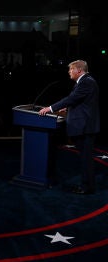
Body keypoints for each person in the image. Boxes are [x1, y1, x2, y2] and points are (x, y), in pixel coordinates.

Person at [38, 60, 100, 194]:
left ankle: (87, 187)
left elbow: (71, 99)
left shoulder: (87, 82)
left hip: (85, 127)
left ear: (79, 70)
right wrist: (68, 109)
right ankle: (87, 185)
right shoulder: (85, 82)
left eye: (71, 69)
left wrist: (50, 108)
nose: (69, 72)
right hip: (84, 126)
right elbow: (80, 102)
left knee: (85, 159)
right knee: (85, 158)